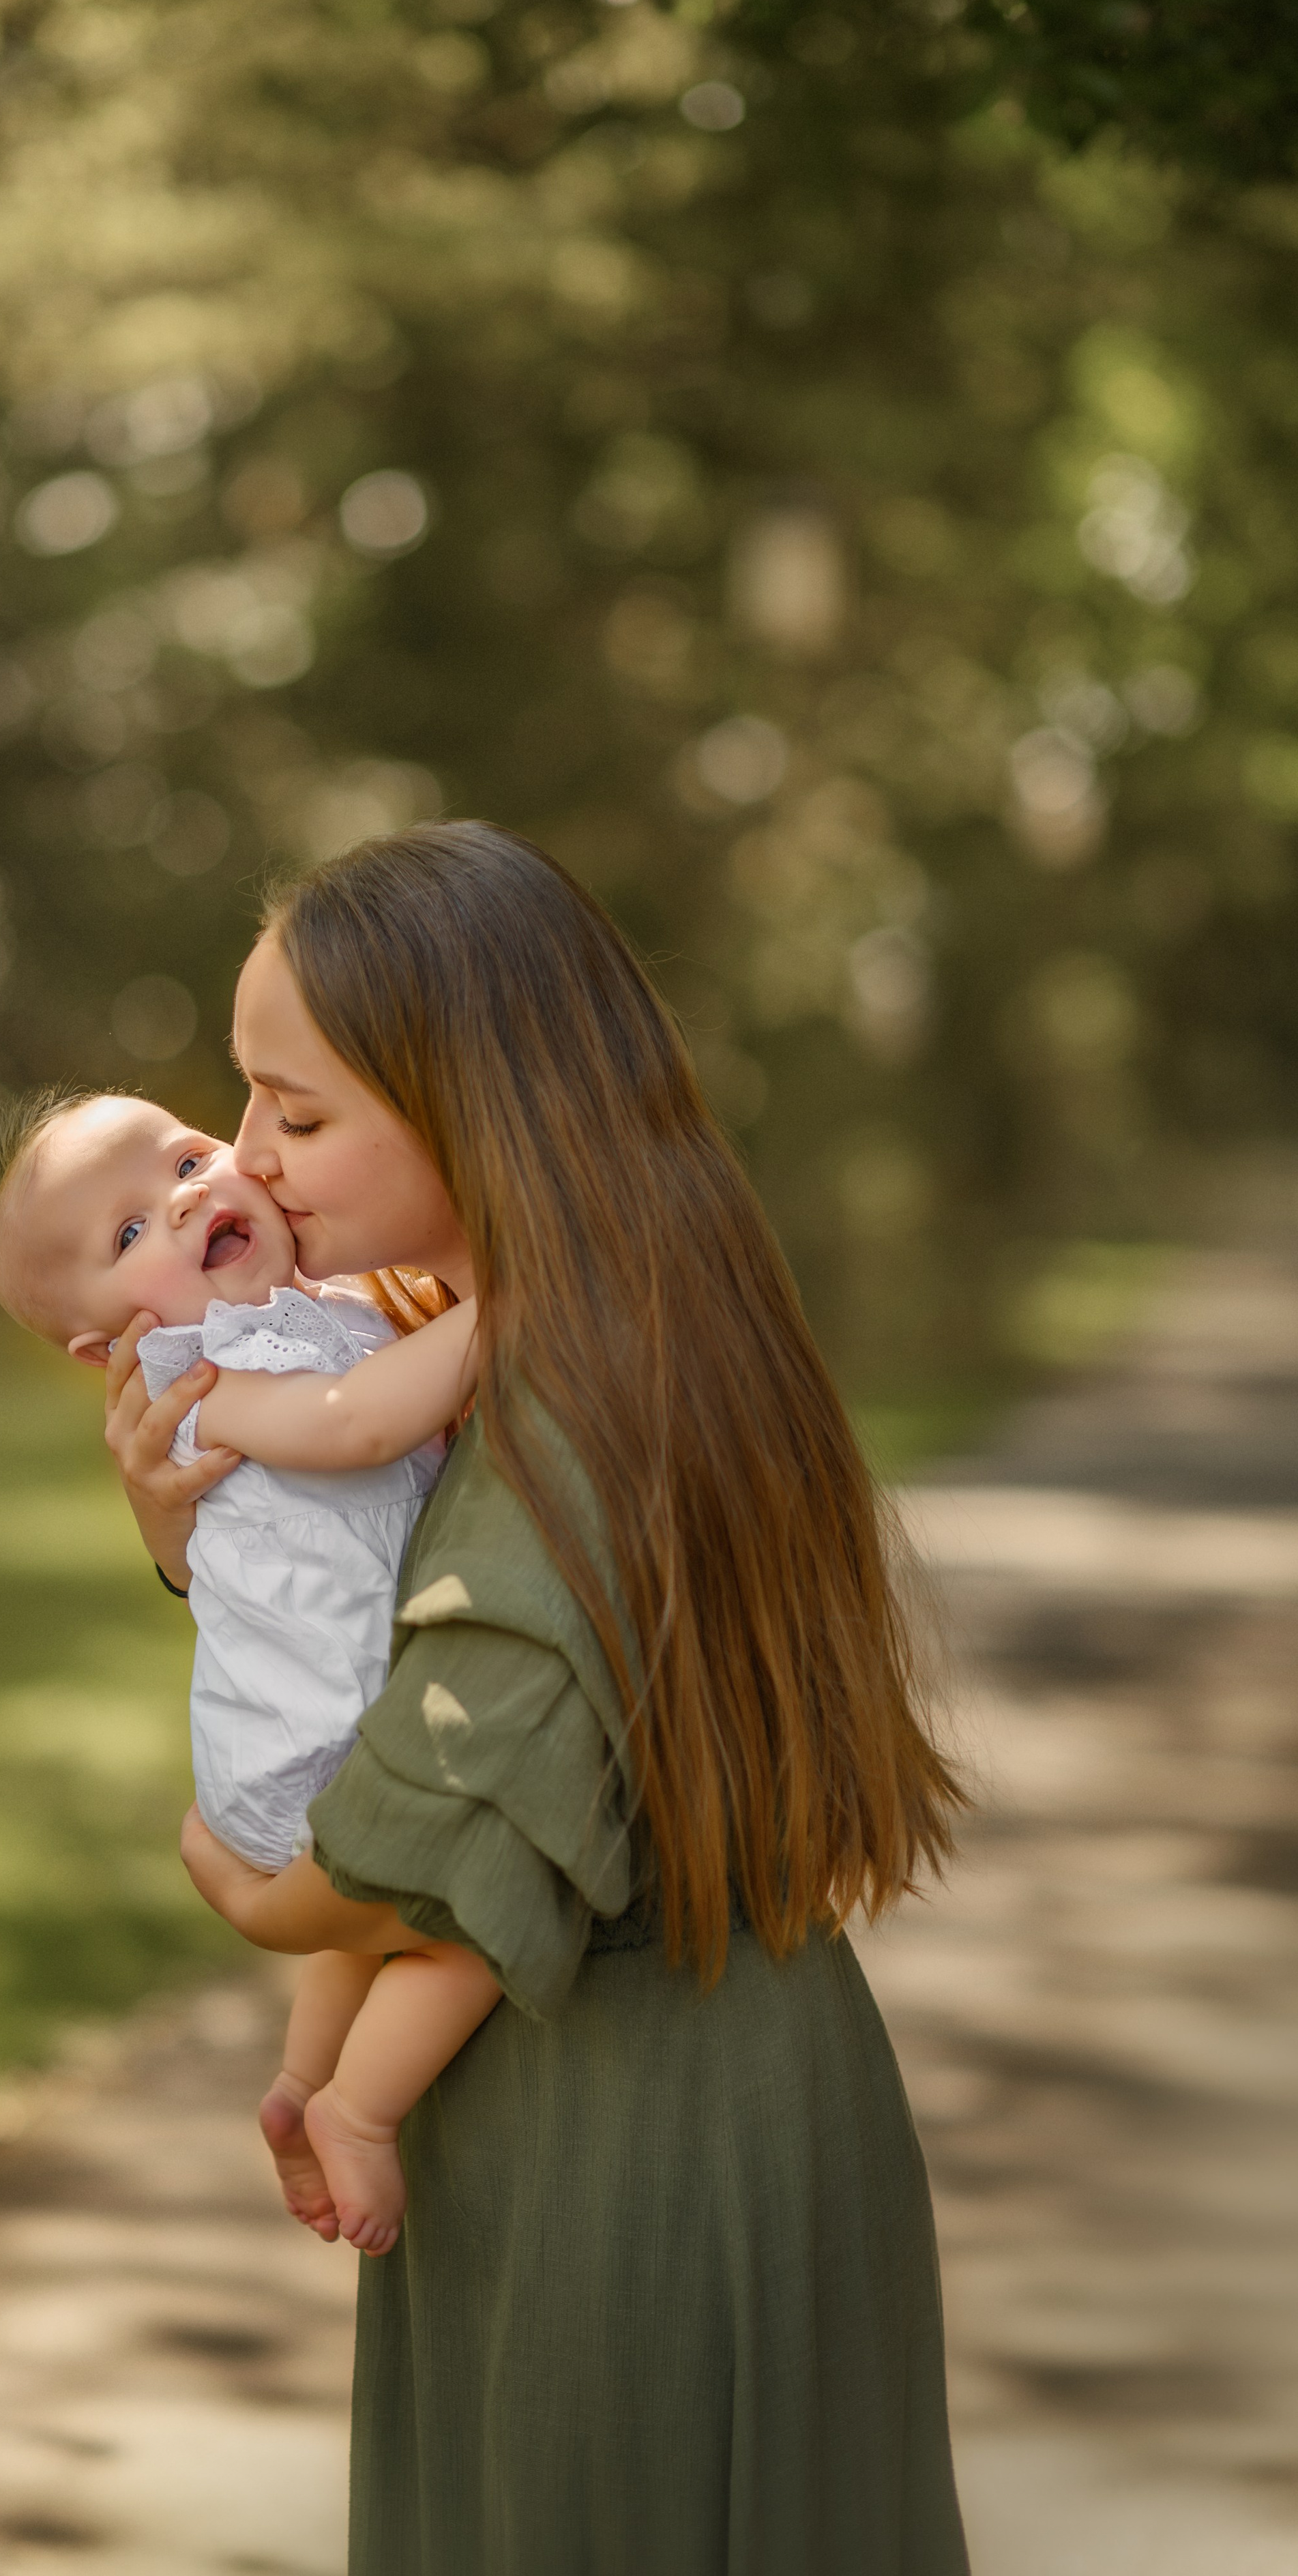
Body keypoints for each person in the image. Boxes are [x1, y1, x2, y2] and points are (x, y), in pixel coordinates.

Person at [106, 821, 973, 2575]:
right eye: (245, 1105)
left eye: (298, 1111)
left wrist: (253, 1896)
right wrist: (190, 1549)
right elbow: (379, 1644)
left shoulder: (570, 1395)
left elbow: (436, 1812)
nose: (252, 1165)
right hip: (619, 2103)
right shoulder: (578, 1312)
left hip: (626, 2148)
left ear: (470, 1100)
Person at [0, 1089, 497, 2253]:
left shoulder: (314, 1306)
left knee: (365, 1936)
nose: (182, 1202)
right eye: (126, 1236)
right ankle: (362, 2113)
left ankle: (302, 2085)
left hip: (311, 1730)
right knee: (466, 1927)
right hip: (318, 1742)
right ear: (108, 1343)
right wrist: (511, 1310)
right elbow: (363, 1423)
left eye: (188, 1157)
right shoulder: (221, 1369)